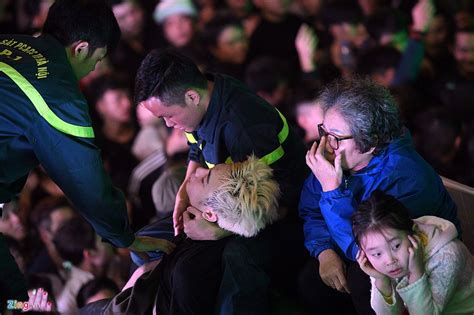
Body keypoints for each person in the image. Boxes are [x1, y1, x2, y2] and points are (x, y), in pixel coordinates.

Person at [0, 0, 174, 302]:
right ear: (80, 49)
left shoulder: (8, 43)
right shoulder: (57, 95)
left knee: (15, 300)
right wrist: (126, 238)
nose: (95, 68)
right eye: (98, 58)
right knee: (14, 300)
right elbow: (87, 183)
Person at [135, 48, 308, 313]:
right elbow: (196, 144)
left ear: (191, 96)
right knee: (143, 243)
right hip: (222, 208)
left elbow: (279, 196)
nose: (168, 125)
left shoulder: (244, 125)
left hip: (280, 216)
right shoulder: (205, 94)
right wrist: (185, 187)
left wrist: (219, 230)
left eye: (167, 116)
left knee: (231, 261)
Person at [298, 77, 459, 314]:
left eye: (337, 137)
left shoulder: (406, 176)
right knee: (311, 281)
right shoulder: (339, 158)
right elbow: (312, 210)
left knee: (360, 280)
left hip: (413, 265)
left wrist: (332, 190)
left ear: (371, 142)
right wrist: (324, 251)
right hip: (361, 250)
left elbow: (370, 251)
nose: (326, 144)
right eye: (324, 131)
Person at [80, 156, 280, 314]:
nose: (198, 170)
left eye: (205, 179)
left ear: (210, 213)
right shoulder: (202, 230)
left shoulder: (191, 270)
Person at [353, 190, 474, 315]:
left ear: (413, 231)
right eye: (377, 254)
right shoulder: (377, 256)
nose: (390, 260)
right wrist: (382, 280)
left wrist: (416, 273)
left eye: (396, 246)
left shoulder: (447, 256)